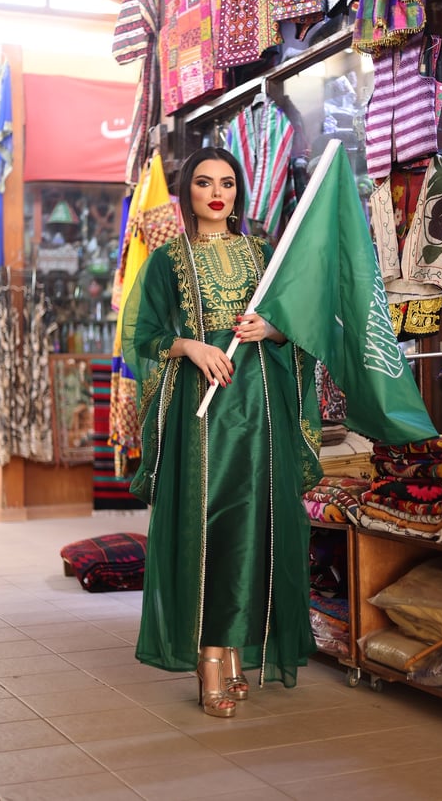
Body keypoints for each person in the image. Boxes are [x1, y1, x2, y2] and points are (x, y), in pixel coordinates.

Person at [121, 146, 323, 718]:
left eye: (227, 183)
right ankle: (209, 658)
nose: (217, 193)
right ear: (187, 191)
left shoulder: (263, 254)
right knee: (210, 526)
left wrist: (272, 329)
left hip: (262, 411)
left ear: (239, 191)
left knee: (256, 526)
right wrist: (189, 346)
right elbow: (141, 337)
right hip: (203, 416)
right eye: (205, 182)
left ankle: (234, 649)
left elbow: (300, 325)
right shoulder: (168, 260)